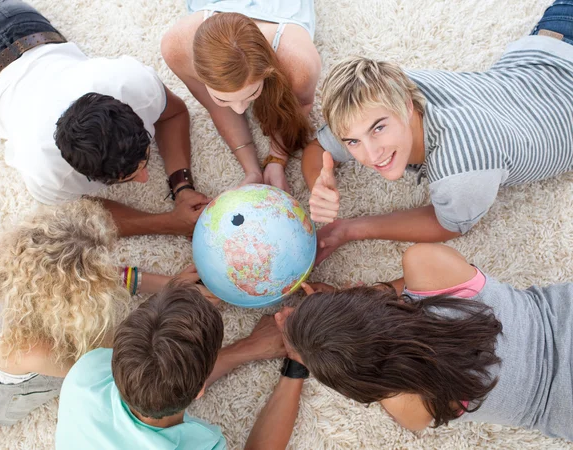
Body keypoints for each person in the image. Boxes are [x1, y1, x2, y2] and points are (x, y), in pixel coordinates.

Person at [303, 0, 573, 263]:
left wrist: (350, 228)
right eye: (353, 141)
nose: (371, 154)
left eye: (379, 128)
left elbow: (450, 225)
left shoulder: (462, 172)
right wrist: (318, 184)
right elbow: (318, 147)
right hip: (556, 36)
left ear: (407, 106)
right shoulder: (385, 89)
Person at [279, 243, 573, 442]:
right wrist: (357, 303)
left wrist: (308, 353)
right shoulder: (424, 262)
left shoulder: (416, 405)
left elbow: (390, 389)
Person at [0, 199, 210, 443]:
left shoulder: (24, 269)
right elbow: (129, 362)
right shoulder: (37, 350)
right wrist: (170, 302)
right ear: (70, 308)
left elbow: (104, 277)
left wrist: (170, 284)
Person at [0, 0, 209, 237]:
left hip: (22, 25)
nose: (145, 178)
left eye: (145, 161)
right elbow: (84, 218)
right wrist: (169, 223)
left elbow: (174, 114)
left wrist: (182, 186)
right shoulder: (47, 173)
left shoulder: (131, 83)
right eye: (127, 178)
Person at [55, 283, 308, 450]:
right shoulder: (205, 445)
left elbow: (157, 370)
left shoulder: (85, 374)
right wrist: (297, 361)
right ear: (200, 390)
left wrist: (250, 347)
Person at [161, 1, 321, 192]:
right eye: (223, 99)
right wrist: (251, 169)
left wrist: (277, 159)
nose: (240, 109)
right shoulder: (176, 46)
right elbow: (215, 108)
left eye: (252, 93)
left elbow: (301, 106)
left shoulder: (299, 63)